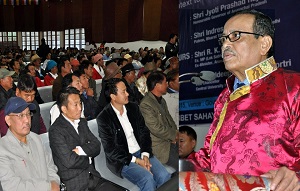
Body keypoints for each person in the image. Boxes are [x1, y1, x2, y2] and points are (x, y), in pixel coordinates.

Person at [193, 10, 300, 191]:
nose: (225, 44)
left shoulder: (293, 86)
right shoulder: (224, 97)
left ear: (264, 44)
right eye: (223, 39)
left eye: (235, 36)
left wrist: (296, 176)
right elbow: (209, 157)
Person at [97, 78, 171, 191]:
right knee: (147, 178)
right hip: (124, 159)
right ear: (113, 96)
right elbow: (111, 149)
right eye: (123, 92)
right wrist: (136, 161)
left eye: (126, 90)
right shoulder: (104, 118)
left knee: (164, 176)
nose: (127, 94)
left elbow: (144, 132)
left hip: (141, 152)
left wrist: (145, 154)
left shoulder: (133, 108)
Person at [49, 87, 124, 191]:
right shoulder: (56, 130)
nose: (80, 108)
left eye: (80, 103)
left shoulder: (82, 122)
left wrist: (80, 150)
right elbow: (69, 161)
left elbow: (96, 145)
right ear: (64, 109)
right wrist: (88, 157)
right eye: (75, 105)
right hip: (75, 183)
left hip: (93, 176)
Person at [0, 97, 60, 190]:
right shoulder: (3, 149)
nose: (27, 120)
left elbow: (50, 167)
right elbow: (11, 186)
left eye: (28, 114)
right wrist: (47, 186)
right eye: (20, 115)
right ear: (8, 120)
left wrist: (55, 182)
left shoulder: (37, 139)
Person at [139, 71, 178, 171]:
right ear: (157, 85)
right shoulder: (146, 104)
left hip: (170, 140)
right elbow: (156, 128)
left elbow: (170, 120)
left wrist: (176, 135)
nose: (167, 85)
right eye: (165, 82)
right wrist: (174, 136)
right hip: (160, 146)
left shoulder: (161, 100)